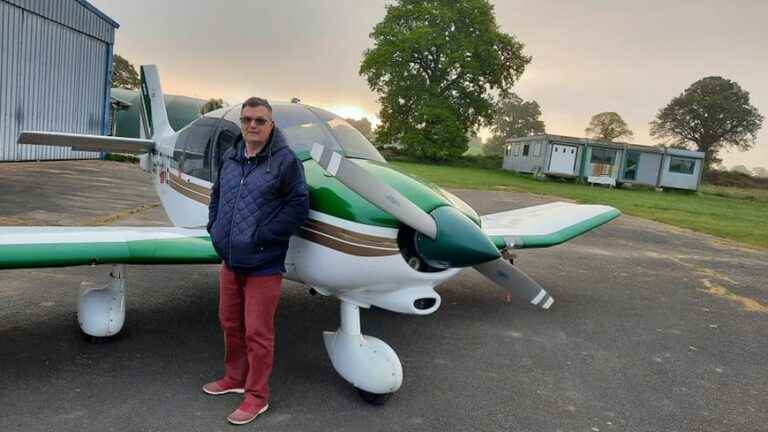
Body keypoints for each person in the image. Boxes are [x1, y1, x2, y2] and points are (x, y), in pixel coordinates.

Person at [204, 97, 309, 425]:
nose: (252, 125)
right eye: (247, 119)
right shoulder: (231, 157)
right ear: (241, 123)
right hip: (230, 260)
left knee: (258, 333)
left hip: (263, 263)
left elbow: (298, 205)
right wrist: (215, 229)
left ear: (271, 124)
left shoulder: (285, 161)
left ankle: (257, 396)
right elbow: (217, 195)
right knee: (229, 323)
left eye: (260, 120)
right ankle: (234, 378)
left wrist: (264, 236)